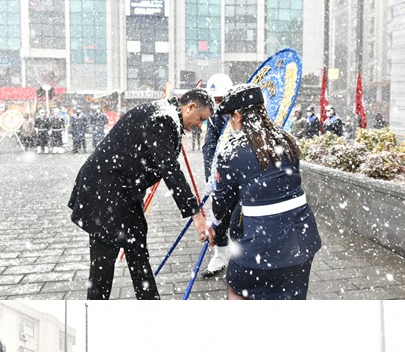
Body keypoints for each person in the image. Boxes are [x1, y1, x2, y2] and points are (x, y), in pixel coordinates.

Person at [68, 88, 215, 300]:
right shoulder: (162, 119)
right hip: (104, 191)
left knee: (137, 246)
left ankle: (149, 301)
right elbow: (170, 171)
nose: (200, 125)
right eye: (201, 119)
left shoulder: (167, 116)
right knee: (103, 261)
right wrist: (197, 216)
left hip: (124, 192)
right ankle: (96, 312)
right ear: (190, 107)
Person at [210, 84, 323, 300]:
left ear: (238, 115)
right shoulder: (286, 139)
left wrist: (214, 222)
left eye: (230, 119)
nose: (230, 125)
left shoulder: (232, 151)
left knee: (235, 287)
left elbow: (221, 203)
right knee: (291, 296)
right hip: (302, 240)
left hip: (259, 248)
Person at [200, 73, 235, 278]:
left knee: (241, 220)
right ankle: (219, 257)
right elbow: (208, 148)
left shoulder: (242, 114)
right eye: (215, 99)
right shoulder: (213, 118)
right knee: (219, 218)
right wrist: (209, 177)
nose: (218, 103)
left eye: (221, 99)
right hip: (220, 178)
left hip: (241, 177)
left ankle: (245, 260)